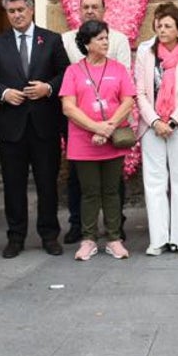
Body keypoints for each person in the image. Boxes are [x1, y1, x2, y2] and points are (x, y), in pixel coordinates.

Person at [0, 0, 68, 258]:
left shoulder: (51, 40)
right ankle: (15, 237)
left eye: (21, 10)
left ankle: (49, 235)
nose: (17, 15)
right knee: (14, 185)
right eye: (11, 11)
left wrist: (48, 89)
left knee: (46, 184)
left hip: (45, 125)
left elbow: (66, 73)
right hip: (11, 126)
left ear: (31, 10)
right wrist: (4, 93)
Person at [62, 19, 136, 261]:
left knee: (112, 191)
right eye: (100, 38)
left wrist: (109, 127)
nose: (106, 42)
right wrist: (96, 127)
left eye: (107, 37)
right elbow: (68, 107)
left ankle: (114, 239)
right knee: (89, 192)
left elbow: (128, 101)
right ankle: (88, 239)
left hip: (112, 140)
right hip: (83, 143)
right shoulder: (73, 71)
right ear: (87, 43)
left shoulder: (118, 69)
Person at [135, 3, 178, 257]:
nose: (161, 30)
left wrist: (172, 121)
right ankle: (158, 239)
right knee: (154, 182)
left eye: (167, 26)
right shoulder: (145, 52)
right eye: (159, 25)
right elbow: (140, 91)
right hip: (152, 125)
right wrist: (155, 122)